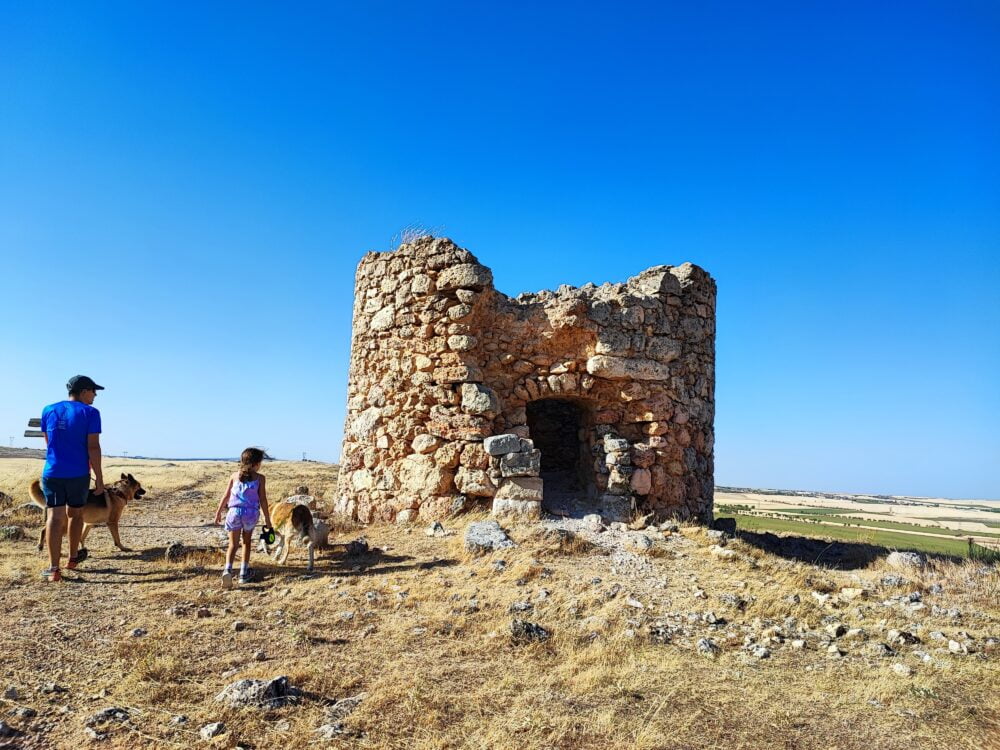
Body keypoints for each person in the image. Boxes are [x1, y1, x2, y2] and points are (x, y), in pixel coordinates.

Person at [39, 375, 106, 582]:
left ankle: (53, 568)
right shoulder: (91, 413)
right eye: (93, 391)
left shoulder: (48, 409)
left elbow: (48, 441)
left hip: (53, 472)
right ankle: (72, 558)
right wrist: (100, 479)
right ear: (84, 391)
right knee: (75, 514)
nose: (95, 395)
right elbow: (93, 447)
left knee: (55, 517)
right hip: (78, 474)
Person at [214, 447, 272, 588]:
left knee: (233, 545)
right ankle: (243, 574)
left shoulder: (234, 476)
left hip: (233, 512)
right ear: (256, 464)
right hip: (250, 514)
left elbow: (226, 495)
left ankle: (227, 570)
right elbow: (263, 499)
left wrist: (218, 512)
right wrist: (267, 519)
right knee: (246, 543)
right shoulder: (260, 478)